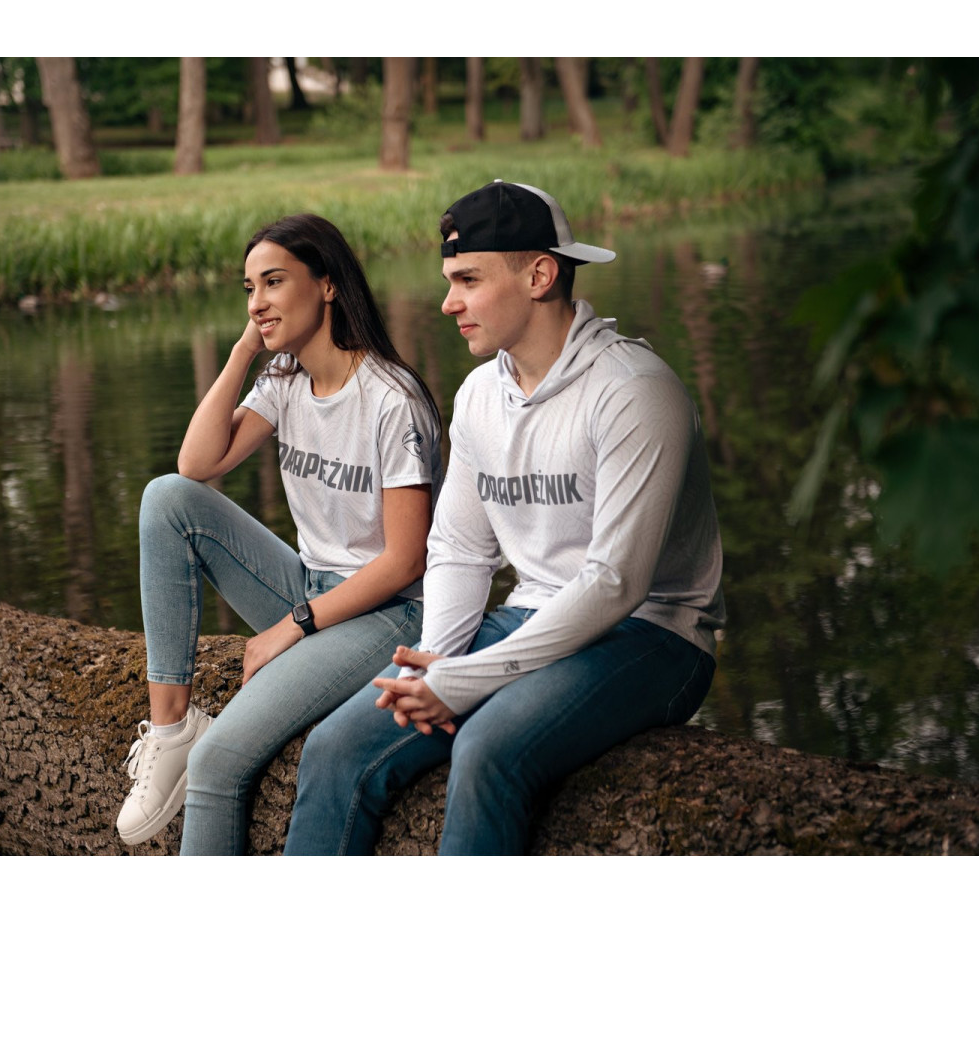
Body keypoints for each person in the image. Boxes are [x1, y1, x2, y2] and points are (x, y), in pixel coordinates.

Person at [284, 180, 725, 856]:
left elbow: (615, 582)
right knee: (337, 745)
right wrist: (435, 664)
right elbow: (460, 549)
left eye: (468, 280)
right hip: (530, 615)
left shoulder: (635, 392)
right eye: (449, 281)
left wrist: (466, 681)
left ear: (540, 275)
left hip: (654, 636)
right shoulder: (479, 395)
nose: (447, 302)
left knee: (487, 749)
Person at [117, 213, 442, 854]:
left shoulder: (391, 399)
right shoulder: (285, 379)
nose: (257, 302)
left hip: (390, 613)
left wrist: (294, 624)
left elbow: (407, 562)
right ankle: (171, 728)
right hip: (310, 584)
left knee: (219, 763)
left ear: (327, 284)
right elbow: (196, 465)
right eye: (249, 289)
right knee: (167, 500)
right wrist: (245, 350)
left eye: (273, 282)